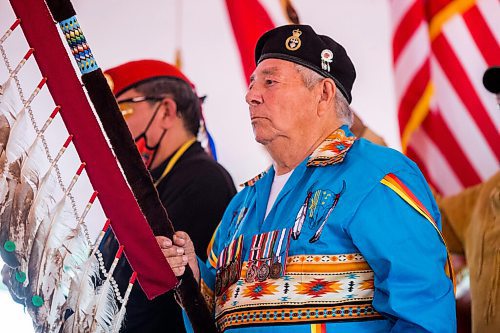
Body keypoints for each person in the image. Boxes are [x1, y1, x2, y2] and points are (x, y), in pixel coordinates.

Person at [159, 25, 456, 332]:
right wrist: (194, 279)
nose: (250, 96)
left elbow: (423, 312)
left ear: (324, 93)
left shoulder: (378, 177)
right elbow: (221, 316)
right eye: (251, 84)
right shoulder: (242, 204)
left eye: (270, 81)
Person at [101, 60, 236, 333]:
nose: (113, 127)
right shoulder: (151, 182)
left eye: (122, 111)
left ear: (166, 111)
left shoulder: (204, 180)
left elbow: (160, 301)